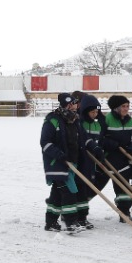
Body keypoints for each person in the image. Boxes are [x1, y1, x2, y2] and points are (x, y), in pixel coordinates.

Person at [39, 93, 88, 232]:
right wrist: (60, 155)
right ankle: (71, 222)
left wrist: (92, 148)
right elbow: (45, 142)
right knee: (69, 191)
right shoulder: (52, 120)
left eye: (76, 103)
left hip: (72, 163)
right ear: (66, 104)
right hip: (57, 163)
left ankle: (51, 222)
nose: (75, 106)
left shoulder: (75, 120)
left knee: (57, 193)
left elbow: (82, 139)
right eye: (72, 103)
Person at [101, 94, 132, 218]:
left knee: (126, 183)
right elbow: (101, 139)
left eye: (127, 106)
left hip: (125, 157)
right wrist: (114, 145)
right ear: (116, 108)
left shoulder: (130, 121)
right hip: (110, 157)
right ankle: (76, 210)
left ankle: (124, 212)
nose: (126, 109)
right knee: (97, 186)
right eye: (123, 106)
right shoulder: (106, 119)